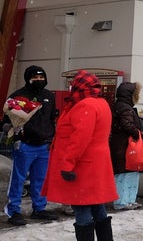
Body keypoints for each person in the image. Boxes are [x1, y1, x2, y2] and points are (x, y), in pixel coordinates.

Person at [41, 70, 117, 241]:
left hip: (82, 165)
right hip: (95, 164)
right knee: (97, 206)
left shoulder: (85, 105)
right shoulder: (100, 103)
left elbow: (79, 139)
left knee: (82, 209)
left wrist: (67, 163)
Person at [3, 65, 58, 226]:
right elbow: (5, 120)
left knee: (40, 179)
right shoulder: (18, 96)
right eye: (35, 78)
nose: (39, 80)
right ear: (28, 78)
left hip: (44, 145)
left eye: (42, 78)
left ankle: (39, 208)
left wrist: (51, 137)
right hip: (25, 144)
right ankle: (14, 210)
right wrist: (10, 128)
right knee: (18, 179)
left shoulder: (49, 96)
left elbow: (51, 119)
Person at [109, 82, 143, 210]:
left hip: (122, 145)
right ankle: (122, 201)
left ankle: (127, 200)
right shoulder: (125, 107)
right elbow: (127, 124)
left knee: (128, 173)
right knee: (125, 174)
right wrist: (138, 134)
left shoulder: (120, 105)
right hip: (124, 146)